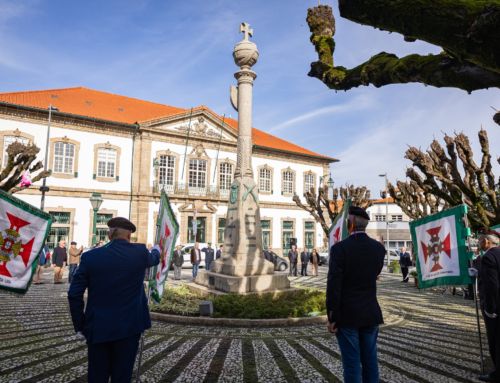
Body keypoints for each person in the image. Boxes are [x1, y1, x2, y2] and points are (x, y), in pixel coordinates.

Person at [68, 217, 160, 383]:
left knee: (97, 376)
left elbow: (74, 294)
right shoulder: (140, 253)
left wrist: (79, 326)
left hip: (98, 327)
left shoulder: (90, 257)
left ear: (110, 234)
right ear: (129, 236)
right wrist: (157, 249)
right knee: (122, 376)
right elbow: (155, 258)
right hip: (129, 327)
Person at [326, 206, 385, 383]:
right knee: (370, 362)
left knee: (352, 364)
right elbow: (375, 275)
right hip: (370, 312)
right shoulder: (378, 249)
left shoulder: (339, 249)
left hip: (347, 315)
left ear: (350, 224)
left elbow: (334, 286)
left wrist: (332, 316)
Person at [477, 232, 500, 382]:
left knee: (496, 340)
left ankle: (497, 374)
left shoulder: (488, 257)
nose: (478, 243)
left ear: (486, 242)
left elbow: (492, 286)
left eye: (479, 241)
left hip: (496, 307)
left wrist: (490, 309)